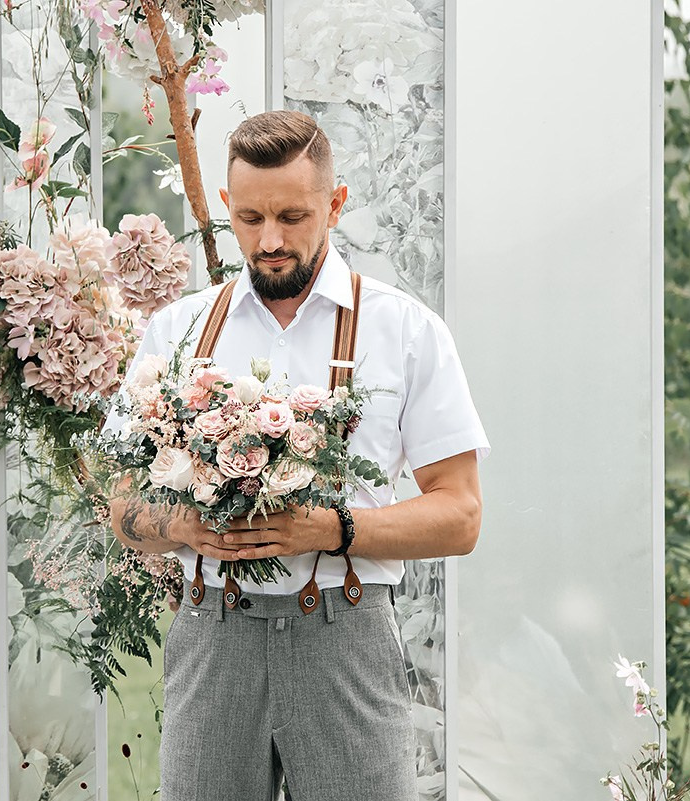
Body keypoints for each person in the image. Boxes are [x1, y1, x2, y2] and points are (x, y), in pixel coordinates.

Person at [106, 109, 490, 801]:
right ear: (226, 206)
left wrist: (338, 530)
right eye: (250, 218)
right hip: (211, 636)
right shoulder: (175, 330)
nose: (271, 239)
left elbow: (461, 515)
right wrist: (183, 528)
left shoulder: (405, 331)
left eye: (292, 215)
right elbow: (122, 508)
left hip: (346, 639)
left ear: (335, 203)